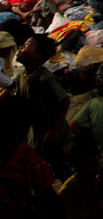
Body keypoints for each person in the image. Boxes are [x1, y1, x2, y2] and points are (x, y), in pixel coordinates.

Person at [14, 34, 71, 181]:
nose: (20, 48)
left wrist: (54, 130)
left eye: (27, 46)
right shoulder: (21, 76)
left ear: (37, 56)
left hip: (53, 134)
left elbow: (64, 101)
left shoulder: (44, 78)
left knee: (62, 167)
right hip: (36, 134)